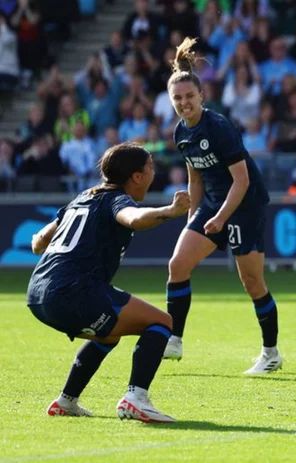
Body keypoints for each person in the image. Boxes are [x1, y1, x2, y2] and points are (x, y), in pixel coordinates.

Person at [26, 143, 191, 423]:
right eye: (150, 166)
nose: (154, 172)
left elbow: (38, 243)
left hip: (37, 295)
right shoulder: (118, 199)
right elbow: (134, 219)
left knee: (109, 334)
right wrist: (172, 211)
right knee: (163, 322)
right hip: (74, 291)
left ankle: (66, 400)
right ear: (136, 177)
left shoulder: (82, 198)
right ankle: (135, 398)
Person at [163, 37, 282, 374]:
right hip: (214, 203)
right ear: (172, 101)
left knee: (252, 283)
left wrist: (220, 219)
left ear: (202, 96)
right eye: (178, 98)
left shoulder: (219, 127)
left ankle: (271, 353)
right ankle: (174, 340)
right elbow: (195, 179)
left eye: (190, 96)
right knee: (178, 264)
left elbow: (242, 182)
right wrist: (193, 222)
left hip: (243, 204)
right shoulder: (181, 133)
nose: (185, 103)